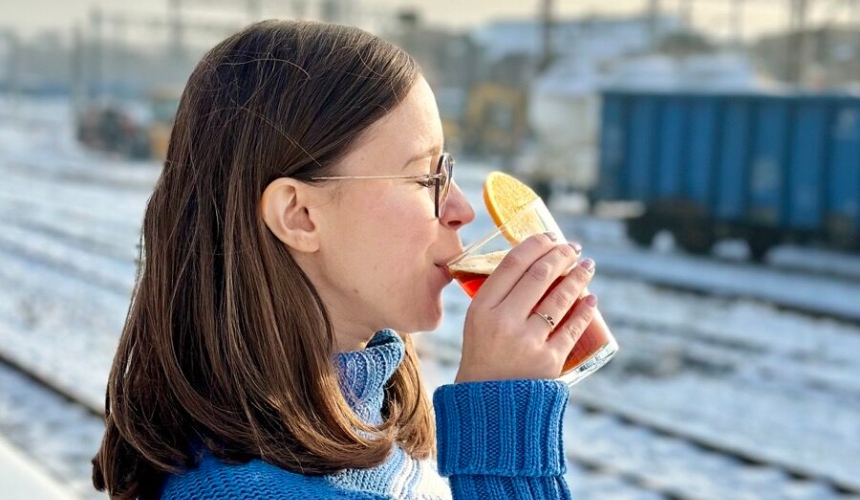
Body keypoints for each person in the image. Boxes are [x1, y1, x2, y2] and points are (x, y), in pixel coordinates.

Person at [92, 19, 598, 500]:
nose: (461, 209)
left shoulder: (367, 429)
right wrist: (505, 437)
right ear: (300, 215)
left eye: (445, 170)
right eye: (425, 178)